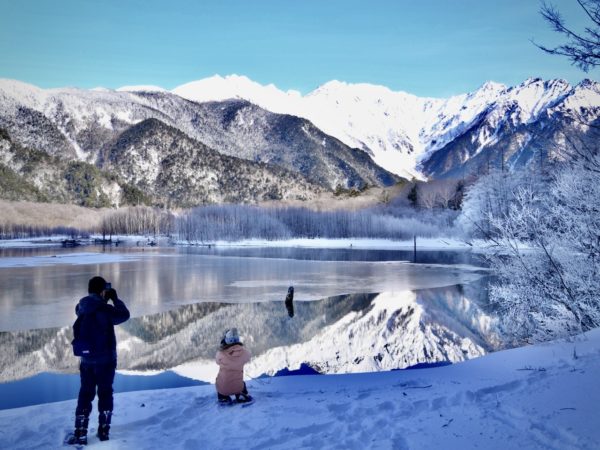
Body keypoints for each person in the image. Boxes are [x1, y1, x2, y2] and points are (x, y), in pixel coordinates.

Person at [67, 276, 130, 446]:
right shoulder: (105, 309)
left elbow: (80, 309)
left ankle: (80, 433)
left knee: (85, 395)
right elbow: (124, 315)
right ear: (103, 290)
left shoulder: (81, 306)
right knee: (105, 393)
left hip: (87, 361)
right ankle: (104, 431)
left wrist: (102, 297)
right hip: (106, 361)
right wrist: (115, 299)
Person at [215, 328, 253, 404]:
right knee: (241, 383)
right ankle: (241, 395)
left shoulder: (220, 354)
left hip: (223, 388)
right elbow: (249, 357)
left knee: (220, 381)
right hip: (238, 388)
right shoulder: (245, 353)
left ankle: (223, 398)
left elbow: (217, 362)